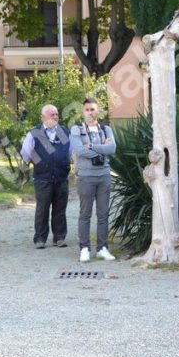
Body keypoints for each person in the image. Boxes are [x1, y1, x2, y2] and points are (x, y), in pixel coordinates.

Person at [70, 98, 117, 263]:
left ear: (98, 111)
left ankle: (102, 248)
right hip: (86, 177)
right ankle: (84, 248)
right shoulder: (77, 129)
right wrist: (101, 149)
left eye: (93, 109)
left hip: (104, 176)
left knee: (103, 214)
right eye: (87, 110)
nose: (90, 112)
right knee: (85, 214)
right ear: (83, 112)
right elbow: (79, 151)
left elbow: (112, 148)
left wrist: (92, 147)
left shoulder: (106, 129)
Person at [20, 104, 71, 250]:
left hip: (61, 176)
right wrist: (40, 162)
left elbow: (69, 152)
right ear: (43, 117)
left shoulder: (63, 132)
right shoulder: (35, 133)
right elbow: (26, 153)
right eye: (51, 115)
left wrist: (63, 164)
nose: (55, 117)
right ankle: (40, 238)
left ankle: (59, 237)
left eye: (56, 114)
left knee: (60, 208)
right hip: (43, 177)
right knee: (42, 209)